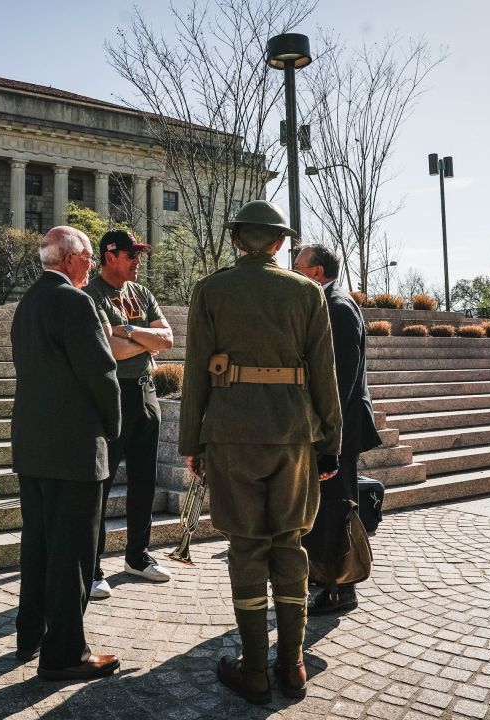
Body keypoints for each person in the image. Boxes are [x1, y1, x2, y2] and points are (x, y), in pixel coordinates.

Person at [178, 200, 343, 705]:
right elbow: (324, 375)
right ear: (278, 243)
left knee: (247, 547)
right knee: (289, 543)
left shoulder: (210, 290)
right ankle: (292, 665)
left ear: (236, 241)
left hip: (230, 436)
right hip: (293, 436)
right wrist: (330, 446)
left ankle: (253, 670)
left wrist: (192, 444)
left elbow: (195, 375)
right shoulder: (308, 292)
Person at [11, 226, 122, 681]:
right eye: (90, 256)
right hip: (75, 448)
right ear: (70, 258)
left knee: (37, 544)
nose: (93, 264)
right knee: (72, 553)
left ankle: (29, 633)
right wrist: (114, 427)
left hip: (33, 446)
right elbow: (102, 373)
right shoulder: (76, 302)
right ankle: (64, 654)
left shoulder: (27, 303)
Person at [292, 244, 384, 615]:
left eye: (297, 266)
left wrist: (327, 435)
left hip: (339, 429)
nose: (292, 272)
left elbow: (340, 381)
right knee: (328, 505)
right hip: (334, 427)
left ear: (316, 272)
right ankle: (324, 580)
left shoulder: (338, 307)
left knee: (336, 507)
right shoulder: (326, 303)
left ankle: (340, 589)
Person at [83, 229, 176, 598]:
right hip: (113, 397)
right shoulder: (91, 296)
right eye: (131, 254)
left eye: (139, 253)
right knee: (102, 485)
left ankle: (137, 556)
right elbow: (110, 349)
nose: (138, 260)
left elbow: (167, 339)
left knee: (144, 480)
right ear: (110, 255)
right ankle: (91, 568)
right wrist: (143, 340)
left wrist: (128, 330)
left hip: (147, 395)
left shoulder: (141, 294)